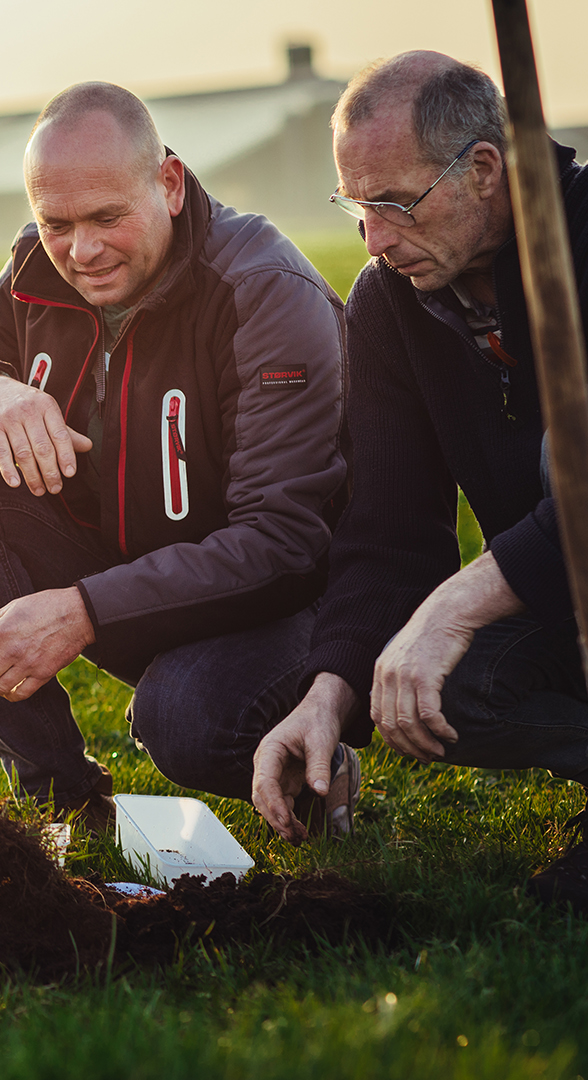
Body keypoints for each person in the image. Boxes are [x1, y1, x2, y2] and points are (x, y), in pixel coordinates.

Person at [0, 83, 348, 831]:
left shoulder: (263, 290)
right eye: (56, 223)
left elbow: (285, 546)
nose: (82, 249)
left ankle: (309, 755)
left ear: (167, 184)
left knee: (187, 719)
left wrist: (84, 612)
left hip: (281, 603)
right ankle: (60, 800)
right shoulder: (34, 270)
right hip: (132, 572)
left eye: (108, 217)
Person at [251, 52, 588, 908]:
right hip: (565, 600)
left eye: (397, 203)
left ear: (483, 169)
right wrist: (328, 690)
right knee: (434, 689)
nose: (375, 238)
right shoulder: (391, 301)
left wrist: (455, 605)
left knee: (569, 455)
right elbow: (391, 529)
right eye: (358, 206)